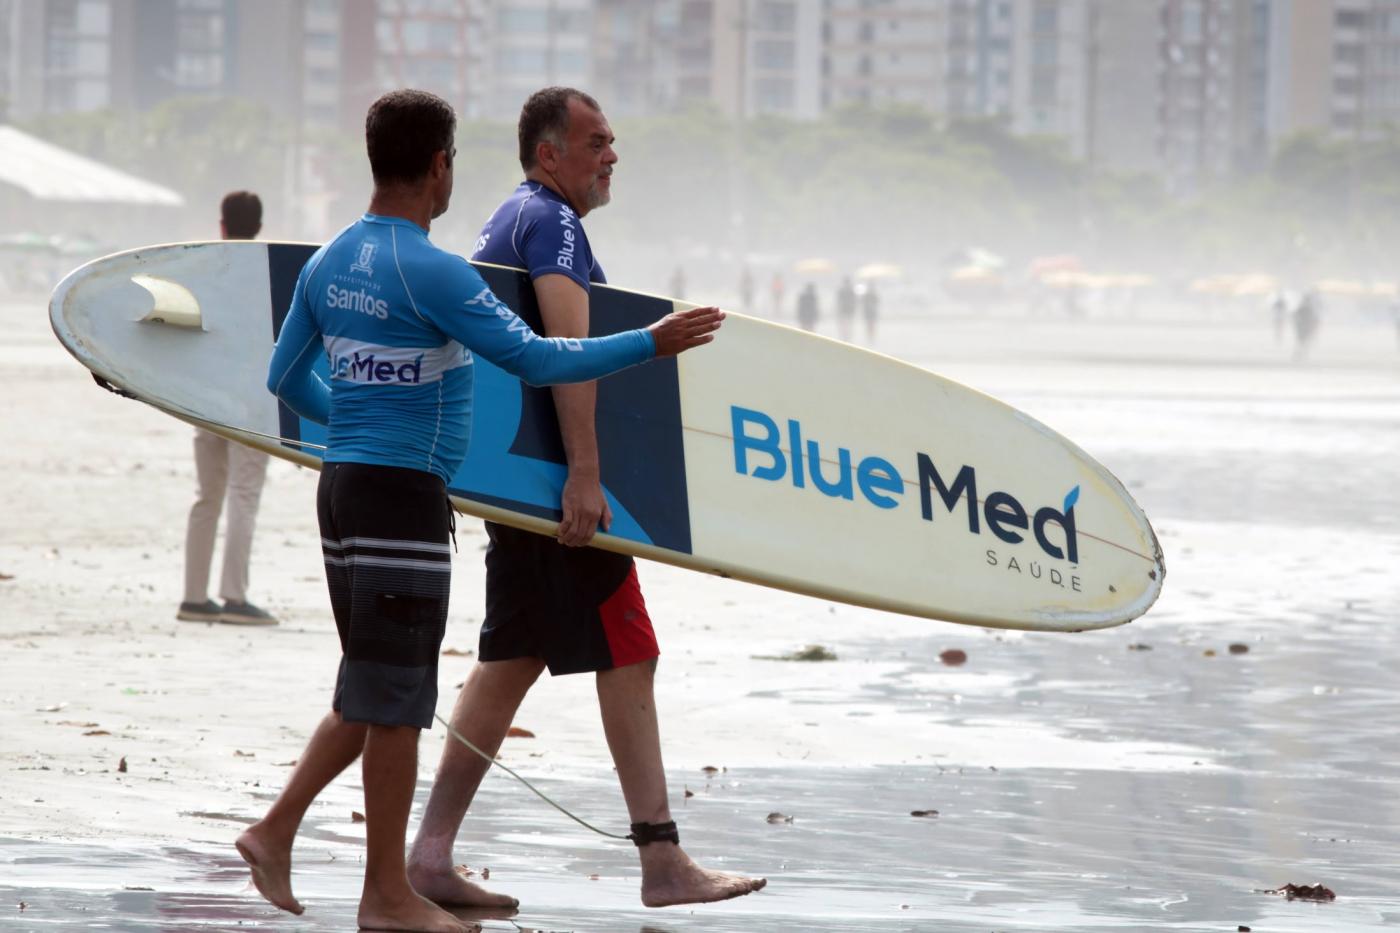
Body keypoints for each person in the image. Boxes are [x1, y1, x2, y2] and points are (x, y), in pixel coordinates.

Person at [238, 88, 724, 933]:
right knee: (395, 696)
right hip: (400, 495)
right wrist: (653, 339)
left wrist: (352, 423)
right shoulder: (432, 271)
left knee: (373, 686)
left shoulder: (329, 262)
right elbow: (538, 358)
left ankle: (275, 830)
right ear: (439, 166)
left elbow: (284, 381)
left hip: (344, 489)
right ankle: (385, 894)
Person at [407, 87, 766, 911]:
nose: (612, 154)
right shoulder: (552, 222)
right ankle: (662, 860)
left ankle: (429, 853)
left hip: (518, 481)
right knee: (628, 650)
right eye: (597, 140)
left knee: (509, 660)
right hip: (553, 482)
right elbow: (565, 351)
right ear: (549, 153)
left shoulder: (515, 216)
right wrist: (585, 473)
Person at [176, 190, 277, 626]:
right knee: (243, 496)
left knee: (207, 498)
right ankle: (234, 597)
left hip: (205, 398)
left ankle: (193, 597)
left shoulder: (206, 270)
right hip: (249, 403)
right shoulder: (266, 272)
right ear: (258, 227)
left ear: (222, 225)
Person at [835, 276, 856, 341]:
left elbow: (839, 301)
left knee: (845, 323)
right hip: (848, 309)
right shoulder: (851, 290)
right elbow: (854, 301)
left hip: (844, 309)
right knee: (848, 323)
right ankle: (847, 336)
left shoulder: (842, 290)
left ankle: (845, 336)